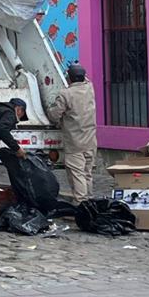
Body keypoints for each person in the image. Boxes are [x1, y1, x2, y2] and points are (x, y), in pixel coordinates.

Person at [47, 63, 97, 204]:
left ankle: (81, 204)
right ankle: (90, 202)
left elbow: (54, 115)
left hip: (75, 143)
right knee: (87, 173)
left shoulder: (65, 94)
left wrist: (49, 110)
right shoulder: (89, 88)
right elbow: (85, 79)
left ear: (69, 78)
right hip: (91, 141)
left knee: (77, 174)